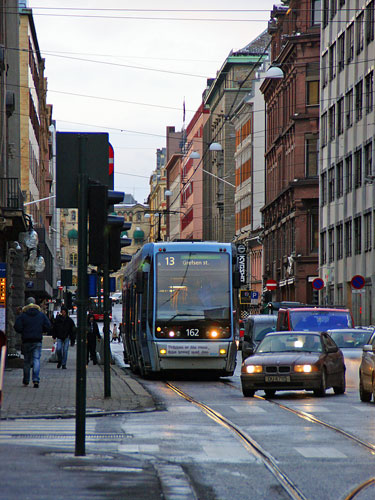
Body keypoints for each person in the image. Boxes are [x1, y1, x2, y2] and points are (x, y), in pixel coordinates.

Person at [14, 297, 52, 388]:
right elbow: (48, 326)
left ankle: (26, 380)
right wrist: (41, 330)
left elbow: (17, 327)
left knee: (27, 361)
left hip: (26, 340)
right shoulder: (41, 315)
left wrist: (23, 331)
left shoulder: (23, 315)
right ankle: (35, 380)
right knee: (36, 359)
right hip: (37, 340)